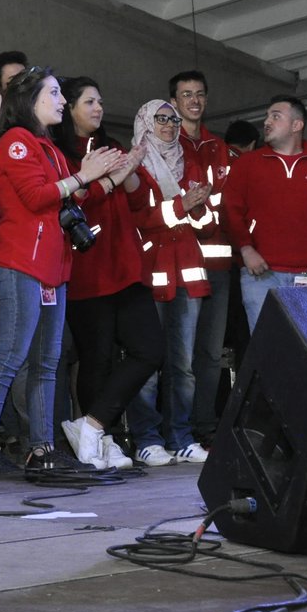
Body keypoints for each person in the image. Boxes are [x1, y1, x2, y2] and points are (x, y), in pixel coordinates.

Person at [0, 67, 120, 475]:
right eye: (53, 93)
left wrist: (100, 179)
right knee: (9, 358)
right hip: (22, 265)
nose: (62, 101)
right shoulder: (15, 142)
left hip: (53, 268)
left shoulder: (48, 148)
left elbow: (67, 200)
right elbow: (36, 198)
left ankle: (43, 448)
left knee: (47, 363)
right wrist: (82, 176)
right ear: (29, 100)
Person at [51, 77, 157, 469]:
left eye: (100, 101)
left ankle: (92, 426)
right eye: (89, 101)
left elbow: (139, 198)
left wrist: (128, 168)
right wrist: (103, 177)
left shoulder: (109, 147)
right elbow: (73, 204)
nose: (98, 108)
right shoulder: (59, 153)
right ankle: (101, 439)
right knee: (97, 359)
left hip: (127, 265)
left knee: (150, 349)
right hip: (87, 268)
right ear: (69, 108)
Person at [121, 99, 214, 466]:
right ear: (144, 121)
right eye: (160, 118)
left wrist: (195, 207)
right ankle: (146, 438)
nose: (169, 125)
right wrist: (181, 206)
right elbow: (138, 217)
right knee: (147, 362)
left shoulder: (191, 162)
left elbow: (207, 224)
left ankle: (182, 437)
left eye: (174, 119)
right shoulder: (134, 164)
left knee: (184, 365)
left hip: (188, 274)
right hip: (149, 274)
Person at [224, 97, 307, 331]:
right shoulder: (247, 165)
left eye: (276, 116)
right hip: (261, 275)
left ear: (297, 125)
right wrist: (246, 248)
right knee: (269, 351)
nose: (266, 122)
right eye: (266, 116)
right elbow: (230, 210)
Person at [169, 70, 233, 447]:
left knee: (210, 353)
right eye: (186, 94)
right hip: (180, 263)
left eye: (200, 94)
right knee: (181, 356)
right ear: (173, 102)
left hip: (219, 264)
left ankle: (204, 428)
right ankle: (176, 432)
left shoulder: (221, 147)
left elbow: (231, 203)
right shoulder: (167, 144)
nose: (194, 100)